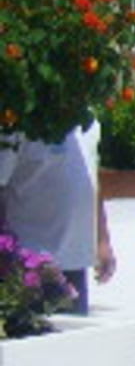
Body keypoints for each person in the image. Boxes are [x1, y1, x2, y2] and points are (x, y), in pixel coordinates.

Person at [1, 122, 115, 313]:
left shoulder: (88, 121)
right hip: (29, 265)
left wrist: (103, 240)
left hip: (75, 264)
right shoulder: (21, 122)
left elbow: (91, 178)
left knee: (72, 340)